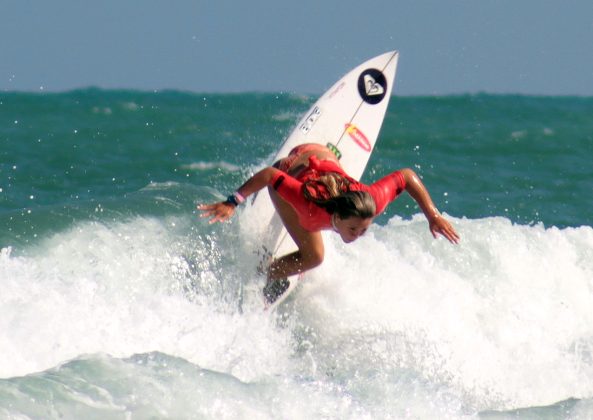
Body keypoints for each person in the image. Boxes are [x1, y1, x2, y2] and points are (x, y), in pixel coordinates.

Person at [198, 143, 459, 303]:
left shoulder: (372, 201)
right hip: (291, 165)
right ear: (338, 217)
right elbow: (270, 175)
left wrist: (433, 215)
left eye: (364, 229)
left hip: (324, 154)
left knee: (316, 252)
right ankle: (267, 274)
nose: (357, 235)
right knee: (314, 257)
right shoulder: (309, 205)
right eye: (353, 229)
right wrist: (232, 201)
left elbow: (406, 176)